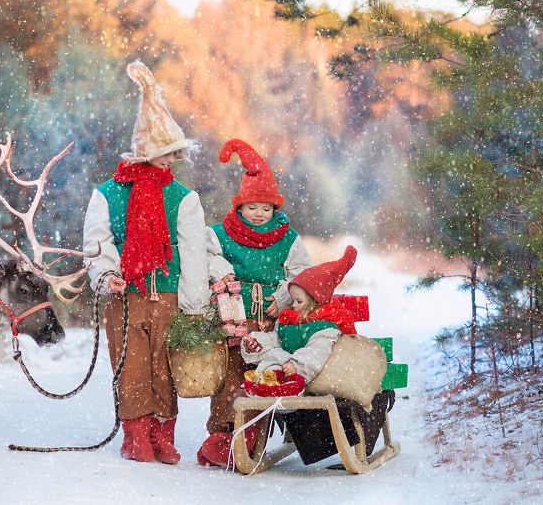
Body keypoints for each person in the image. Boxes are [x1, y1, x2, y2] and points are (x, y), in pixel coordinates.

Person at [82, 61, 209, 465]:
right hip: (126, 295)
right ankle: (136, 432)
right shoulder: (108, 194)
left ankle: (162, 432)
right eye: (164, 154)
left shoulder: (183, 198)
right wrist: (106, 274)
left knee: (165, 365)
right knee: (130, 363)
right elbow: (98, 241)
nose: (171, 161)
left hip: (169, 294)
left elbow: (191, 252)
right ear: (146, 153)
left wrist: (194, 301)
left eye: (175, 154)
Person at [198, 139, 312, 465]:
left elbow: (302, 273)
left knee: (265, 376)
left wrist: (283, 295)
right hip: (234, 318)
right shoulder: (220, 233)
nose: (259, 215)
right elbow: (202, 256)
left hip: (272, 321)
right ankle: (222, 439)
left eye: (266, 208)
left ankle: (254, 436)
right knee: (232, 379)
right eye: (252, 208)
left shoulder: (287, 238)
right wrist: (224, 272)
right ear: (239, 208)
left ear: (275, 209)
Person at [199, 245, 360, 468]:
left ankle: (240, 447)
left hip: (301, 381)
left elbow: (315, 354)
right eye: (293, 300)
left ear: (317, 301)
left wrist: (296, 365)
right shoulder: (291, 321)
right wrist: (257, 342)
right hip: (278, 376)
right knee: (242, 394)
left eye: (299, 302)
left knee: (253, 397)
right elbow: (276, 341)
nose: (293, 305)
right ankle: (232, 443)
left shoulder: (325, 329)